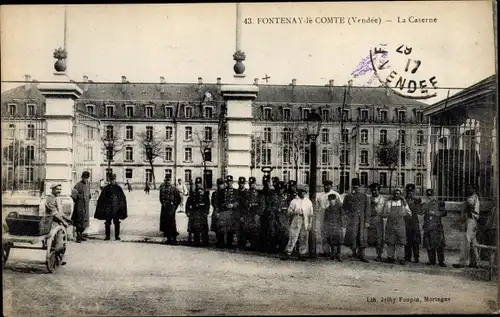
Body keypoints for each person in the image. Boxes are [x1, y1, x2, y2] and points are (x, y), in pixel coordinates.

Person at [281, 186, 314, 261]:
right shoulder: (294, 201)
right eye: (300, 191)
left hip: (305, 219)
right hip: (297, 218)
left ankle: (302, 254)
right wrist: (295, 212)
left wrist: (310, 223)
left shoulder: (308, 202)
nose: (302, 193)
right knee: (293, 236)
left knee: (304, 237)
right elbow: (289, 212)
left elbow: (311, 214)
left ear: (305, 193)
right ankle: (288, 252)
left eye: (303, 192)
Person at [381, 188, 412, 265]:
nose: (396, 195)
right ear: (392, 194)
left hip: (400, 224)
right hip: (390, 224)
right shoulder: (388, 203)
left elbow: (409, 213)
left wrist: (404, 215)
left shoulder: (403, 203)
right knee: (390, 242)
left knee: (400, 242)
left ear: (400, 195)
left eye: (398, 194)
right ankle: (390, 257)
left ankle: (401, 258)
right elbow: (384, 214)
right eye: (395, 194)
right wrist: (389, 215)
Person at [343, 178, 371, 262]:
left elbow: (367, 209)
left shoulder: (364, 196)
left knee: (362, 237)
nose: (355, 188)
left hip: (362, 221)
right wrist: (347, 217)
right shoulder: (348, 196)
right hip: (352, 220)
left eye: (357, 186)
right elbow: (344, 208)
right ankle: (354, 253)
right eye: (354, 186)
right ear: (352, 186)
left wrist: (367, 221)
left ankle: (362, 254)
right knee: (353, 236)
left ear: (359, 186)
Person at [453, 183, 480, 268]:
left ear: (474, 189)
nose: (467, 190)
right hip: (471, 221)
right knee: (473, 243)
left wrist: (467, 205)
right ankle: (476, 262)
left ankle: (463, 262)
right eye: (467, 188)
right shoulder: (472, 197)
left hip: (471, 221)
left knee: (466, 241)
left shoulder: (473, 197)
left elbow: (470, 204)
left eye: (469, 188)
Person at [94, 174, 128, 241]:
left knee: (117, 222)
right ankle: (107, 236)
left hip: (116, 209)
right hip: (108, 209)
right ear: (110, 180)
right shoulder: (106, 188)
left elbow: (122, 198)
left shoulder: (118, 188)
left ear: (115, 180)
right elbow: (102, 198)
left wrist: (121, 207)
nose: (113, 181)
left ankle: (117, 236)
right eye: (111, 180)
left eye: (114, 179)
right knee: (107, 222)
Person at [315, 180, 342, 257]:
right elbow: (317, 206)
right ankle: (326, 251)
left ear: (331, 186)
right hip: (323, 215)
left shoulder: (336, 194)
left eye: (328, 185)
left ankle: (334, 252)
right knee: (324, 233)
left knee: (333, 234)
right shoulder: (320, 196)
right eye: (325, 185)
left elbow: (340, 205)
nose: (326, 187)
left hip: (333, 216)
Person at [45, 183, 70, 265]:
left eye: (60, 189)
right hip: (51, 221)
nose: (59, 191)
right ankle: (56, 255)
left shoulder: (57, 198)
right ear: (52, 190)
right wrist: (63, 221)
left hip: (57, 221)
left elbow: (60, 212)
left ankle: (59, 256)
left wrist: (67, 219)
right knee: (57, 238)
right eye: (57, 189)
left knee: (61, 238)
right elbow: (54, 213)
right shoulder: (50, 199)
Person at [421, 188, 447, 267]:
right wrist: (424, 204)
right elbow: (421, 212)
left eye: (431, 195)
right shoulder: (425, 203)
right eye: (428, 195)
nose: (430, 197)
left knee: (439, 245)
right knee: (429, 244)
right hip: (428, 226)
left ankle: (441, 261)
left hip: (437, 226)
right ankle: (431, 260)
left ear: (434, 195)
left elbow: (444, 213)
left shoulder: (440, 203)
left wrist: (436, 213)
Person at [238, 177, 264, 250]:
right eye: (250, 184)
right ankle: (246, 243)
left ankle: (255, 244)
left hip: (255, 214)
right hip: (247, 214)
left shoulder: (259, 193)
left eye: (252, 184)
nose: (251, 185)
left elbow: (262, 205)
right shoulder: (246, 193)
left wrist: (258, 214)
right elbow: (242, 205)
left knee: (255, 229)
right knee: (246, 229)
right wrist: (242, 215)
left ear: (255, 184)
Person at [185, 177, 210, 247]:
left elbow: (207, 203)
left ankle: (205, 241)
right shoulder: (193, 193)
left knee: (204, 227)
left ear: (201, 184)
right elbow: (188, 202)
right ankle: (197, 241)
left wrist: (207, 211)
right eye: (197, 183)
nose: (198, 185)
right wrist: (188, 211)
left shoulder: (205, 192)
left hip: (202, 212)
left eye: (199, 183)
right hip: (195, 212)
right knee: (196, 228)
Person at [217, 175, 240, 248]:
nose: (229, 183)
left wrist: (233, 205)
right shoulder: (222, 191)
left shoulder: (236, 191)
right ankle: (221, 243)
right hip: (223, 211)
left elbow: (238, 201)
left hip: (231, 212)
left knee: (230, 228)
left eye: (230, 181)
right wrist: (218, 211)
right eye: (227, 181)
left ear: (232, 182)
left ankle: (229, 243)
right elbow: (218, 202)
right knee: (222, 228)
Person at [368, 183, 388, 262]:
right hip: (370, 219)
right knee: (368, 237)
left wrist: (382, 215)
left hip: (379, 220)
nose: (373, 192)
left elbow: (386, 211)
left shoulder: (383, 199)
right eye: (372, 190)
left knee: (379, 238)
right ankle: (363, 254)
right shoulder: (368, 199)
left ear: (378, 190)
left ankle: (379, 255)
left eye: (375, 190)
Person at [159, 176, 182, 244]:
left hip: (171, 208)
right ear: (164, 181)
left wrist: (175, 207)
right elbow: (160, 198)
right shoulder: (162, 189)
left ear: (170, 181)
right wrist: (163, 204)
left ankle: (174, 239)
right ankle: (168, 239)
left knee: (172, 223)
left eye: (169, 181)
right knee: (165, 223)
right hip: (164, 207)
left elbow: (178, 198)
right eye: (166, 181)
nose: (167, 182)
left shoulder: (174, 189)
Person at [269, 181, 290, 253]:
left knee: (285, 232)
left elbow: (289, 207)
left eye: (282, 189)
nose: (280, 190)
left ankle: (282, 248)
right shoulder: (273, 197)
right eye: (279, 188)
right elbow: (269, 206)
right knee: (273, 232)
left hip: (284, 218)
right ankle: (273, 248)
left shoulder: (287, 197)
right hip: (274, 217)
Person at [71, 171, 91, 243]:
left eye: (87, 178)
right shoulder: (77, 185)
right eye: (84, 177)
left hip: (86, 206)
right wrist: (78, 199)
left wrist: (89, 196)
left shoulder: (88, 184)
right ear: (82, 177)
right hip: (79, 205)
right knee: (79, 220)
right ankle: (78, 236)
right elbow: (73, 195)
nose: (85, 179)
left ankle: (81, 234)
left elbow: (88, 193)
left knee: (85, 221)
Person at [404, 183, 422, 263]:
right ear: (406, 191)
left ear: (414, 191)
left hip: (414, 222)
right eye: (408, 191)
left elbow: (419, 211)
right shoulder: (403, 200)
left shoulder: (417, 200)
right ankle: (407, 256)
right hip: (406, 222)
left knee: (415, 240)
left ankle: (416, 257)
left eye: (411, 192)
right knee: (407, 239)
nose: (410, 193)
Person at [324, 193, 345, 261]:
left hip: (337, 226)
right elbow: (326, 219)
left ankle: (339, 255)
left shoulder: (339, 208)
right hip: (330, 226)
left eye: (332, 200)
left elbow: (343, 216)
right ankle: (333, 254)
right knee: (331, 241)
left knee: (339, 241)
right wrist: (326, 227)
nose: (331, 201)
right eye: (329, 200)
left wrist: (342, 225)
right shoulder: (327, 209)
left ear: (335, 200)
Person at [211, 178, 225, 246]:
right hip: (216, 210)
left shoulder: (225, 193)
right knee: (216, 227)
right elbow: (212, 202)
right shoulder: (215, 193)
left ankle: (222, 241)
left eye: (221, 184)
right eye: (219, 184)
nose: (220, 186)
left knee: (222, 227)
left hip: (223, 211)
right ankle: (218, 240)